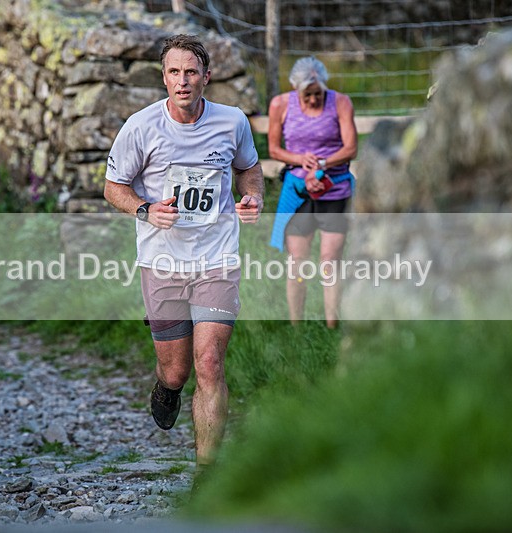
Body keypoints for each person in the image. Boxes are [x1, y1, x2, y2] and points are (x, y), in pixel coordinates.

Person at [103, 35, 264, 478]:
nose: (182, 80)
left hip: (217, 257)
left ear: (206, 78)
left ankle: (207, 476)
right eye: (174, 72)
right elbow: (112, 186)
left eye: (191, 71)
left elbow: (250, 168)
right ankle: (166, 385)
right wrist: (145, 209)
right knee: (176, 371)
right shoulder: (141, 127)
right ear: (164, 77)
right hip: (163, 261)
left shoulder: (232, 122)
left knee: (209, 362)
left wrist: (252, 198)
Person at [268, 56, 357, 329]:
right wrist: (299, 160)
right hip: (298, 192)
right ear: (296, 90)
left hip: (335, 189)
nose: (314, 100)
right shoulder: (280, 104)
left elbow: (351, 148)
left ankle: (332, 324)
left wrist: (321, 164)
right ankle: (296, 326)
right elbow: (274, 150)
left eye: (318, 94)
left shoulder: (341, 102)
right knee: (297, 260)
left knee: (330, 259)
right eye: (307, 95)